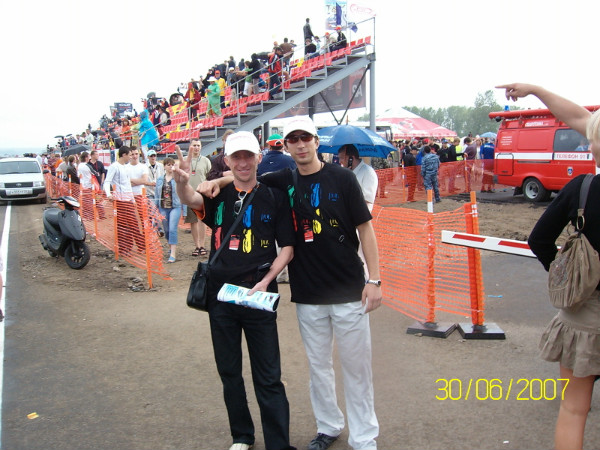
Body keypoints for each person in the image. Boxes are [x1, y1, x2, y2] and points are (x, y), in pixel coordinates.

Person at [200, 116, 382, 450]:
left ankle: (364, 437)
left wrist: (374, 278)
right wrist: (219, 181)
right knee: (319, 367)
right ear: (285, 146)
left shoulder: (343, 178)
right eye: (293, 140)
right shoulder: (284, 178)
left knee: (357, 369)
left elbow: (365, 229)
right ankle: (328, 426)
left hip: (348, 289)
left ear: (316, 141)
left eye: (305, 138)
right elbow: (245, 176)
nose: (300, 145)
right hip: (308, 293)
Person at [173, 132, 296, 450]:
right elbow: (191, 199)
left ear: (258, 158)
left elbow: (287, 247)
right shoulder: (217, 194)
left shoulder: (274, 196)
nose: (242, 163)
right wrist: (181, 183)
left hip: (259, 296)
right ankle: (242, 435)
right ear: (226, 160)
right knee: (229, 371)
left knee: (268, 375)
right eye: (236, 157)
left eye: (248, 156)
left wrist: (268, 280)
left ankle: (278, 444)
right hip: (221, 298)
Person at [498, 82, 600, 450]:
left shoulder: (582, 189)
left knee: (573, 410)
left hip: (585, 313)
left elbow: (539, 240)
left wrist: (565, 273)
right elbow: (580, 118)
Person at [186, 139, 212, 257]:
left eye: (198, 145)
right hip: (189, 194)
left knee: (202, 220)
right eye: (194, 145)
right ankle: (196, 246)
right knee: (193, 221)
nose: (196, 147)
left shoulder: (206, 160)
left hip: (202, 194)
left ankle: (202, 245)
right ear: (190, 147)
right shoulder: (186, 160)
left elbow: (210, 177)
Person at [155, 157, 181, 263]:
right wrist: (155, 209)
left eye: (172, 164)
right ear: (164, 166)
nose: (170, 166)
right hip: (163, 207)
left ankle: (173, 253)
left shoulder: (177, 179)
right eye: (168, 165)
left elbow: (182, 193)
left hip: (175, 206)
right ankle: (171, 247)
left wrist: (184, 209)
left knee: (172, 229)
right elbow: (157, 195)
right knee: (166, 230)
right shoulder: (160, 179)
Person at [337, 144, 378, 212]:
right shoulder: (346, 173)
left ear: (351, 158)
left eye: (342, 158)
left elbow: (367, 203)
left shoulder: (368, 172)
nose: (340, 161)